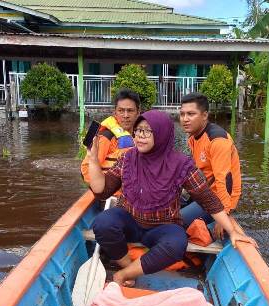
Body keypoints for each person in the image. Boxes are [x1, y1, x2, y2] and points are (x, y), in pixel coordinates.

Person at [88, 110, 249, 287]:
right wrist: (94, 159)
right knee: (102, 223)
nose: (141, 136)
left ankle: (124, 274)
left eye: (148, 131)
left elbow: (207, 199)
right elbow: (102, 191)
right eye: (138, 130)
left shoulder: (181, 164)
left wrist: (232, 231)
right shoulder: (127, 158)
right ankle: (128, 266)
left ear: (162, 134)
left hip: (163, 226)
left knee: (177, 243)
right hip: (130, 220)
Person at [179, 93, 246, 243]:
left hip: (218, 201)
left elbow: (225, 182)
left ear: (204, 115)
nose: (185, 119)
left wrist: (224, 216)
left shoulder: (217, 140)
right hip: (204, 193)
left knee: (175, 221)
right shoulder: (193, 137)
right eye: (182, 114)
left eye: (191, 114)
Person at [81, 89, 140, 182]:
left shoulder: (141, 136)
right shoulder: (106, 137)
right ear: (115, 112)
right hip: (111, 193)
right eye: (121, 110)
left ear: (138, 112)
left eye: (130, 111)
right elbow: (86, 171)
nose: (125, 115)